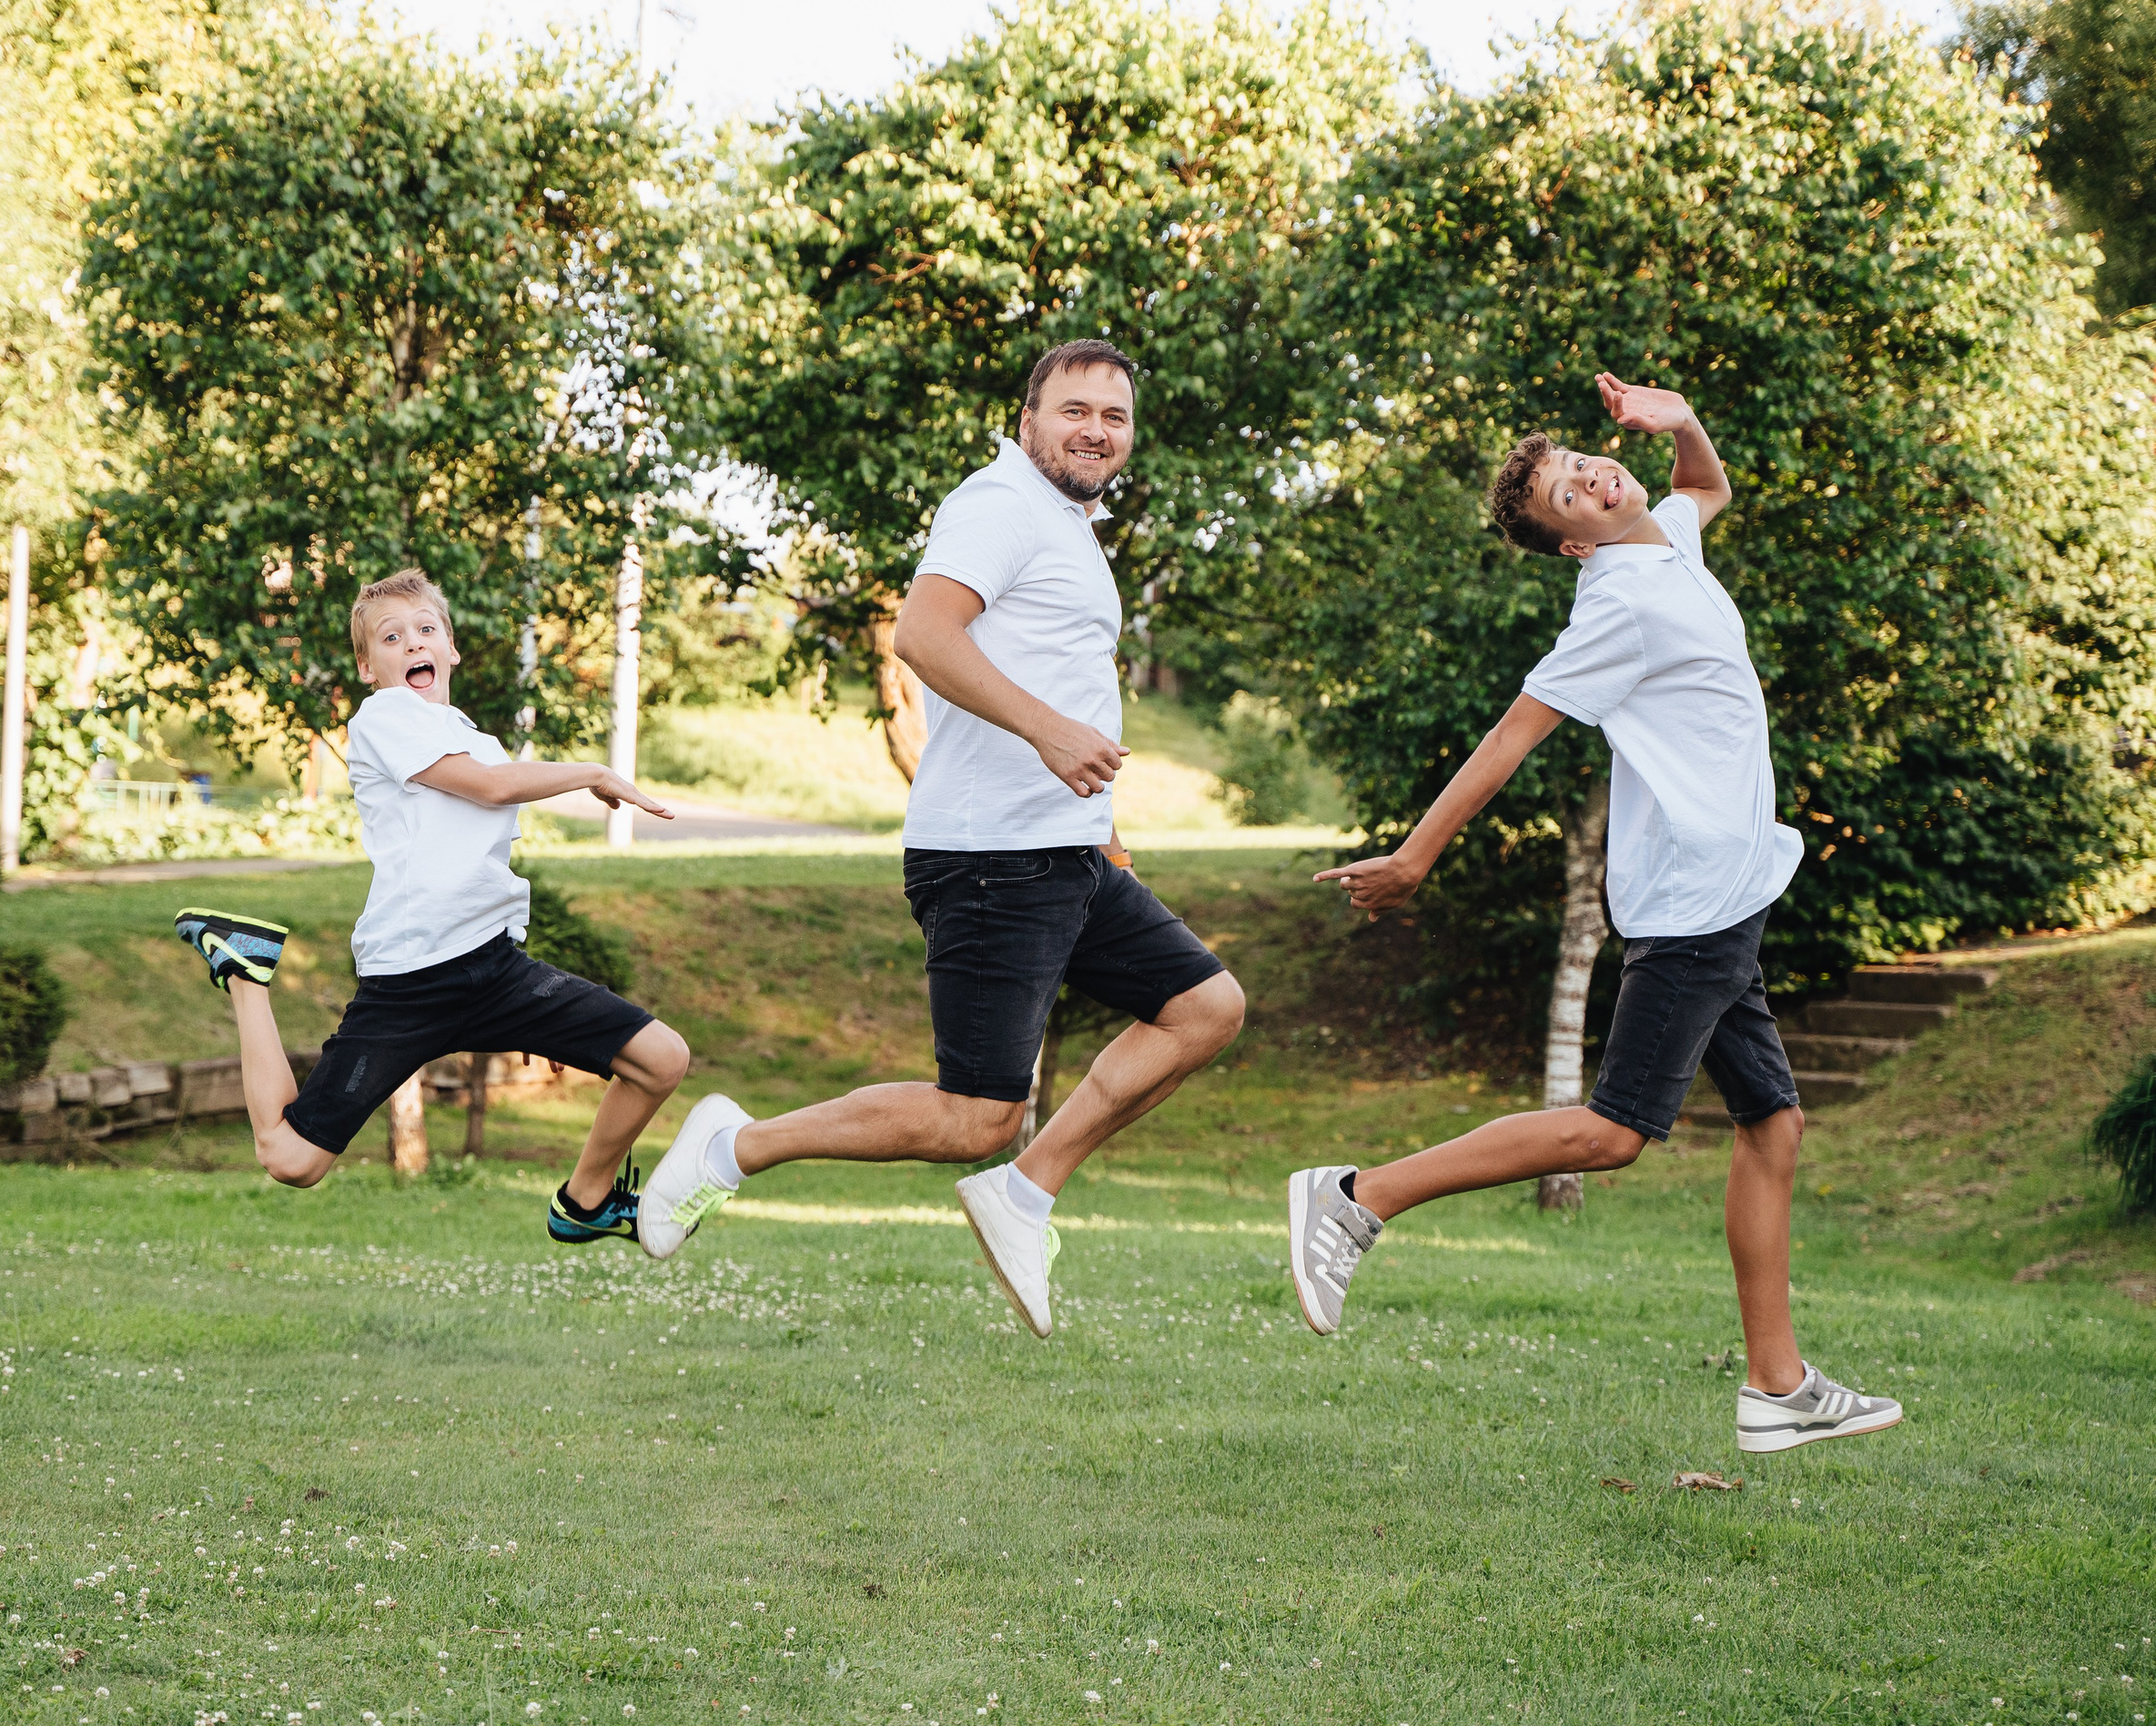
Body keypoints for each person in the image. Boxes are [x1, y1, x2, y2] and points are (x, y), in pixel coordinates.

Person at [1286, 374, 1901, 1454]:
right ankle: (1354, 1194)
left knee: (1773, 1123)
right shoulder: (1615, 605)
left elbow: (1704, 487)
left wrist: (1682, 421)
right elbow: (1510, 737)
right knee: (1614, 1133)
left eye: (1580, 462)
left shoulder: (1663, 538)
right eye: (1566, 495)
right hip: (1691, 906)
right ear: (1570, 544)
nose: (1587, 478)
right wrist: (1416, 857)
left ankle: (1776, 1384)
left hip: (1729, 893)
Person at [635, 338, 1246, 1337]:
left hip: (1069, 849)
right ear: (1028, 419)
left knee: (1204, 1008)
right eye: (1075, 409)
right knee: (973, 1117)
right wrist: (1048, 732)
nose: (1096, 430)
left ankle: (1029, 1189)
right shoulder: (998, 504)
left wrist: (1104, 826)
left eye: (1115, 417)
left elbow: (1059, 672)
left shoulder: (1065, 524)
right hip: (992, 856)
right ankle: (734, 1146)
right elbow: (923, 635)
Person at [171, 568, 692, 1246]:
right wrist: (592, 772)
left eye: (426, 630)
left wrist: (545, 1014)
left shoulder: (475, 736)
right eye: (391, 637)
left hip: (495, 970)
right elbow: (489, 789)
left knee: (661, 1058)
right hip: (413, 979)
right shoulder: (385, 718)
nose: (412, 642)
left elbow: (474, 860)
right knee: (291, 1160)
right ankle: (244, 972)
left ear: (450, 648)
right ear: (368, 665)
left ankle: (585, 1201)